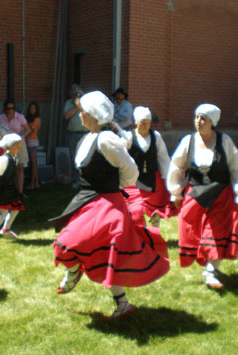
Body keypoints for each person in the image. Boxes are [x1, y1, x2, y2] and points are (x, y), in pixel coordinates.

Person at [51, 91, 169, 319]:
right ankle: (122, 304)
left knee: (65, 243)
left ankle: (73, 272)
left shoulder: (106, 140)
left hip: (106, 203)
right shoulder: (89, 138)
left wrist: (116, 188)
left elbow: (131, 170)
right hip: (88, 201)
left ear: (93, 115)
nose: (81, 116)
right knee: (109, 256)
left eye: (83, 112)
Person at [167, 103, 238, 290]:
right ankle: (207, 262)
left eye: (203, 118)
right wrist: (175, 191)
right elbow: (177, 166)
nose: (199, 121)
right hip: (195, 193)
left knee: (216, 232)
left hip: (221, 195)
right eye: (197, 117)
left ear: (213, 122)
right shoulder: (188, 141)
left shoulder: (224, 141)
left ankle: (211, 272)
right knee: (187, 225)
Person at [123, 106, 177, 228]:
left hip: (153, 178)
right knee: (135, 209)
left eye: (148, 123)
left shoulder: (156, 136)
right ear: (136, 122)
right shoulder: (128, 137)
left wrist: (167, 177)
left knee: (157, 207)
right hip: (134, 180)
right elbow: (121, 159)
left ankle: (154, 231)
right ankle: (137, 233)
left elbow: (163, 158)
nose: (145, 126)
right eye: (142, 123)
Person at [63, 84, 87, 187]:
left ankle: (84, 179)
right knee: (74, 156)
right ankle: (75, 180)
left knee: (85, 156)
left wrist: (83, 97)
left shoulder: (86, 103)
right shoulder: (69, 103)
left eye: (77, 93)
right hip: (73, 133)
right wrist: (77, 106)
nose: (76, 96)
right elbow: (66, 115)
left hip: (85, 133)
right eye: (74, 94)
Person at [25, 101, 41, 190]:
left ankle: (33, 183)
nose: (32, 110)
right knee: (33, 163)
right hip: (28, 141)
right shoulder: (29, 118)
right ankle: (35, 183)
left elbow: (30, 130)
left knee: (33, 163)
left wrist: (22, 135)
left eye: (34, 108)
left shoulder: (37, 119)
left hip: (32, 141)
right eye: (31, 108)